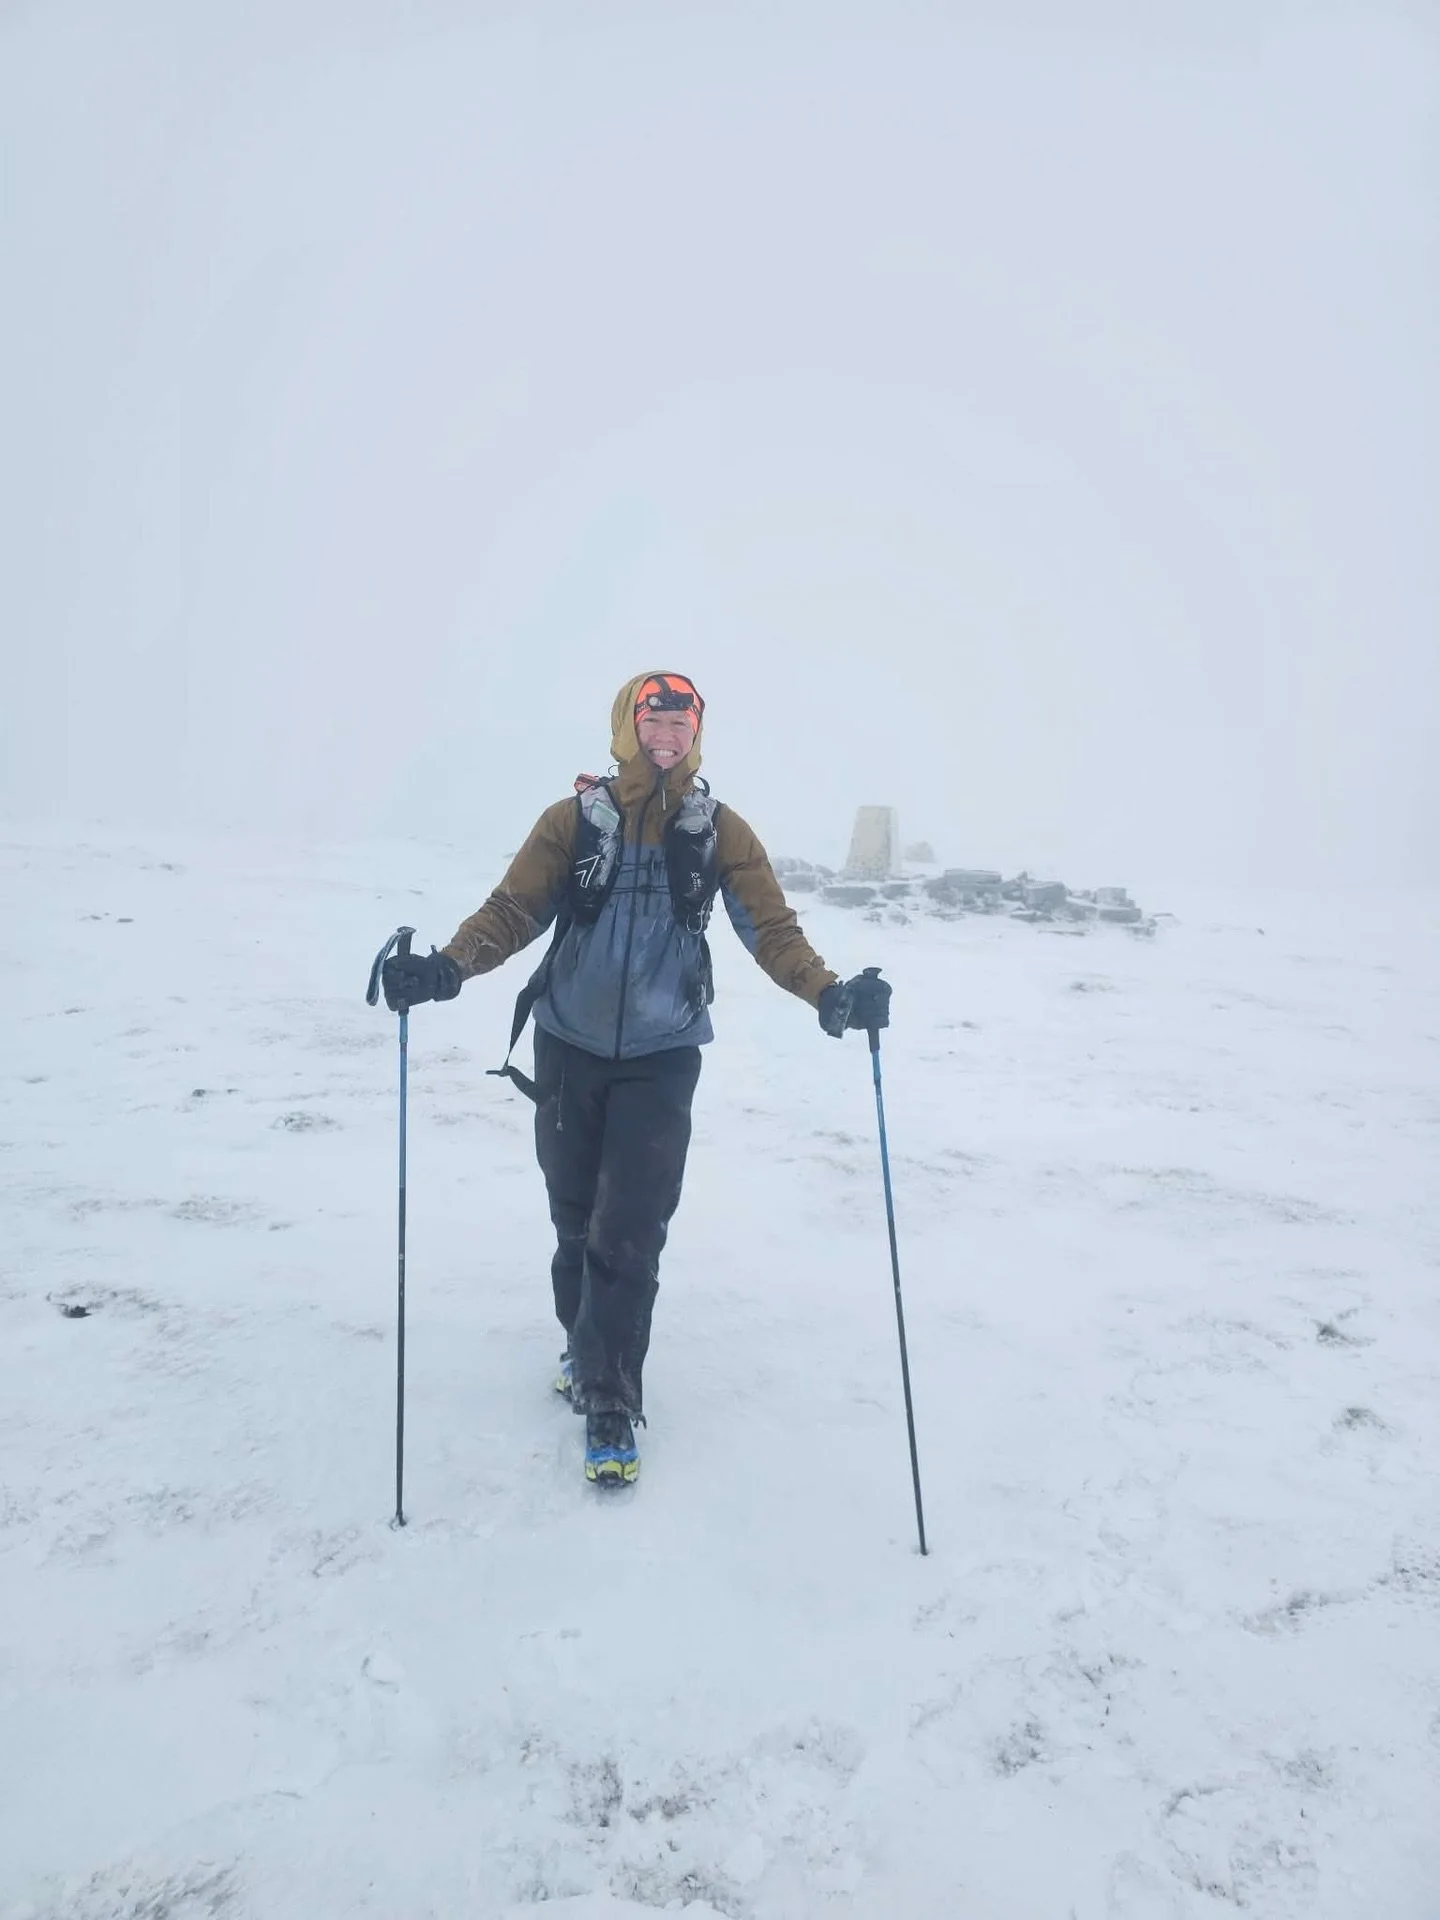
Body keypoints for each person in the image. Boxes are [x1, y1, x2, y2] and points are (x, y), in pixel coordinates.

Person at [382, 671, 890, 1486]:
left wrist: (828, 994)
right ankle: (583, 1339)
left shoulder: (719, 830)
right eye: (654, 720)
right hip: (568, 1044)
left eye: (682, 723)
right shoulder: (571, 823)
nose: (667, 734)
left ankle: (610, 1397)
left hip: (663, 1052)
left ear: (697, 734)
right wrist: (446, 969)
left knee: (630, 1228)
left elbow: (771, 929)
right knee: (575, 1217)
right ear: (628, 725)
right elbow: (512, 912)